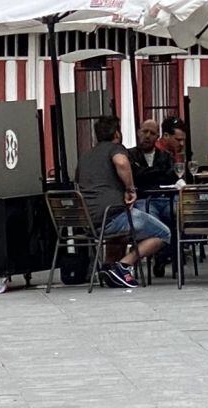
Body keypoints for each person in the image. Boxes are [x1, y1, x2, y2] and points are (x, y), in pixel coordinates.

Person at [75, 116, 170, 289]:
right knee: (164, 233)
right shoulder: (116, 148)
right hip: (111, 216)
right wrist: (130, 189)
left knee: (122, 232)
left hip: (88, 221)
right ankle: (123, 266)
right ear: (117, 133)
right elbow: (121, 162)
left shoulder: (85, 156)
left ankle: (109, 267)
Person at [126, 118, 177, 277]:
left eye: (152, 133)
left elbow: (170, 177)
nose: (147, 136)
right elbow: (136, 177)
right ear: (138, 132)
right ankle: (159, 255)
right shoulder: (129, 155)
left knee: (179, 215)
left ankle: (165, 255)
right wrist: (156, 173)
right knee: (152, 221)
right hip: (143, 199)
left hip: (164, 198)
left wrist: (147, 174)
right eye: (144, 131)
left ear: (157, 137)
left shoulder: (166, 156)